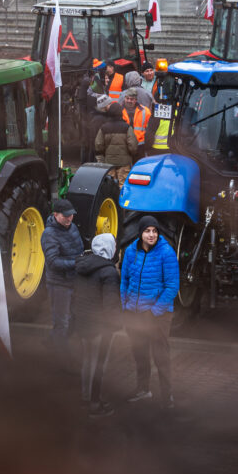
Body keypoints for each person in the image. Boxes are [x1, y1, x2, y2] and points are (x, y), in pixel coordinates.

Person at [121, 215, 179, 409]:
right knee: (140, 353)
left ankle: (167, 397)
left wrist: (155, 311)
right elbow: (124, 280)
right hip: (134, 312)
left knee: (161, 356)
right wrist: (125, 305)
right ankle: (143, 390)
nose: (151, 235)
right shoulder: (131, 251)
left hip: (157, 315)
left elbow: (172, 286)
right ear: (140, 233)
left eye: (154, 231)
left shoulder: (166, 253)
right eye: (147, 231)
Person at [73, 233, 121, 418]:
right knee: (99, 364)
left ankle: (86, 398)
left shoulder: (81, 266)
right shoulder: (108, 271)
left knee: (87, 361)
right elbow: (110, 303)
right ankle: (95, 404)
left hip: (83, 322)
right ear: (109, 248)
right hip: (100, 326)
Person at [40, 198, 83, 364]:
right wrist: (76, 263)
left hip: (74, 281)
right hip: (59, 285)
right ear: (55, 214)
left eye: (71, 215)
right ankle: (62, 360)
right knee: (62, 322)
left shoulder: (72, 227)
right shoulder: (49, 234)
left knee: (74, 318)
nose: (69, 218)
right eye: (65, 215)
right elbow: (53, 262)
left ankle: (52, 342)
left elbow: (78, 250)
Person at [95, 103, 138, 184]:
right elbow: (133, 146)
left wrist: (104, 154)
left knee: (110, 185)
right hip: (124, 162)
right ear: (121, 113)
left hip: (109, 162)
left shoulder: (104, 128)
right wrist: (131, 154)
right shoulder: (127, 127)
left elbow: (98, 145)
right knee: (123, 184)